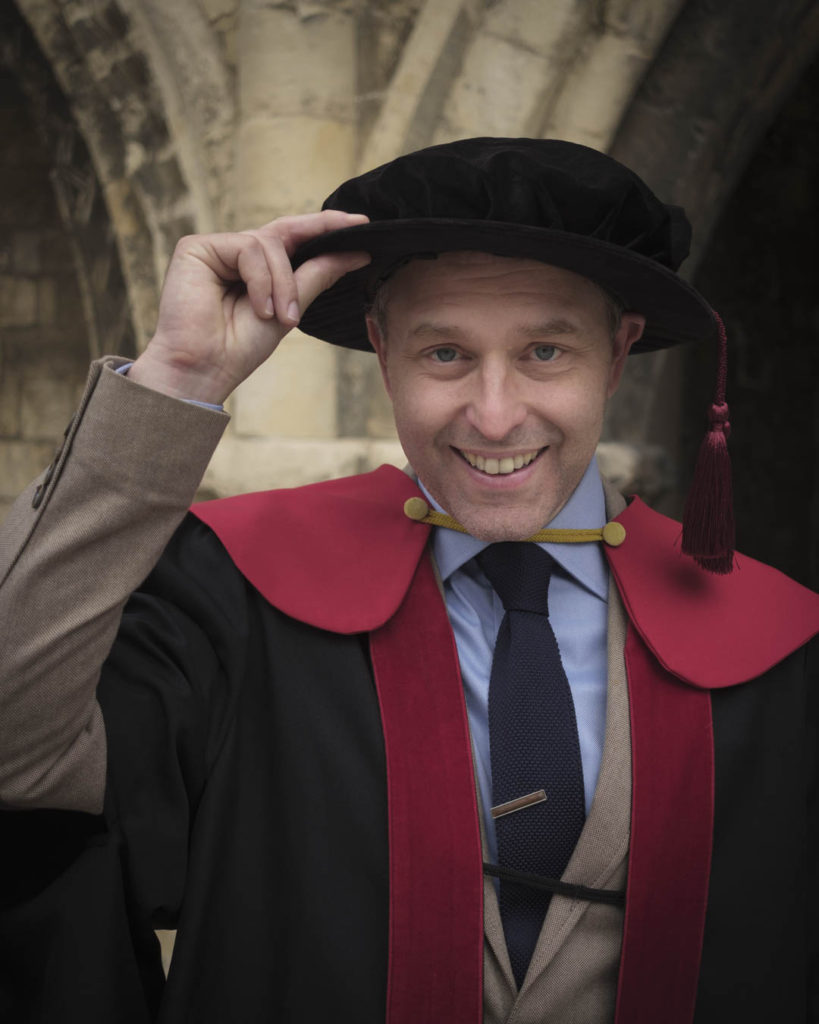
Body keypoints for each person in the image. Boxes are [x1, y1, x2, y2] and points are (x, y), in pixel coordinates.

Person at [0, 139, 817, 1024]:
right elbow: (18, 760)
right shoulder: (232, 591)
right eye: (444, 355)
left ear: (617, 356)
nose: (495, 414)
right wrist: (177, 381)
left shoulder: (778, 645)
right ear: (382, 351)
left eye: (546, 351)